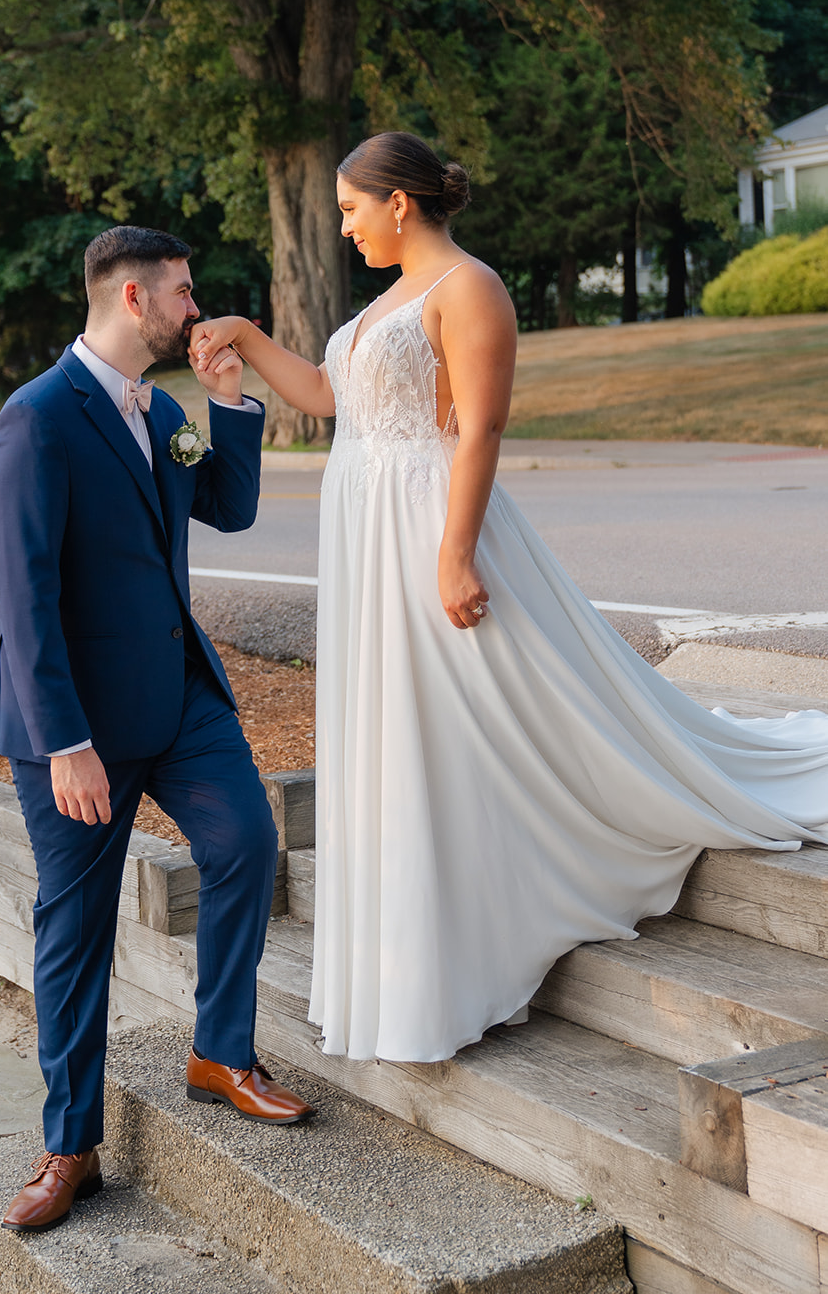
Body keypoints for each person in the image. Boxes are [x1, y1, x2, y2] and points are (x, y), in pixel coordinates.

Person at [192, 130, 828, 1066]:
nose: (343, 226)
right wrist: (244, 338)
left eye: (349, 209)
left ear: (397, 204)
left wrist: (453, 555)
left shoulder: (468, 289)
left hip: (425, 523)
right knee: (401, 721)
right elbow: (330, 397)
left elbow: (481, 427)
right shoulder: (386, 302)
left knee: (467, 708)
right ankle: (408, 957)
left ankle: (480, 928)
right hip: (366, 529)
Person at [0, 225, 312, 1236]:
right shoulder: (35, 420)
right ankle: (69, 1146)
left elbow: (231, 506)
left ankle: (219, 1051)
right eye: (179, 292)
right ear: (132, 297)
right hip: (74, 727)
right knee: (74, 933)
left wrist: (230, 401)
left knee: (245, 844)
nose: (191, 306)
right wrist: (64, 739)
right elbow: (24, 596)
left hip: (178, 700)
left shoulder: (163, 408)